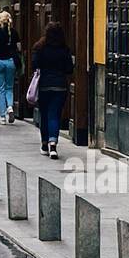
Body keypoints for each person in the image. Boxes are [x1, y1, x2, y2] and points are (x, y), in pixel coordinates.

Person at [31, 22, 74, 159]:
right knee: (54, 115)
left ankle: (44, 144)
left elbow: (34, 64)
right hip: (60, 86)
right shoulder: (64, 49)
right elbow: (69, 69)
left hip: (44, 85)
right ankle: (53, 144)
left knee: (44, 115)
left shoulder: (40, 48)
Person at [0, 10, 22, 125]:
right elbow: (19, 48)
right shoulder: (14, 32)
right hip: (11, 62)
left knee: (0, 89)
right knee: (9, 87)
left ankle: (2, 116)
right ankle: (10, 106)